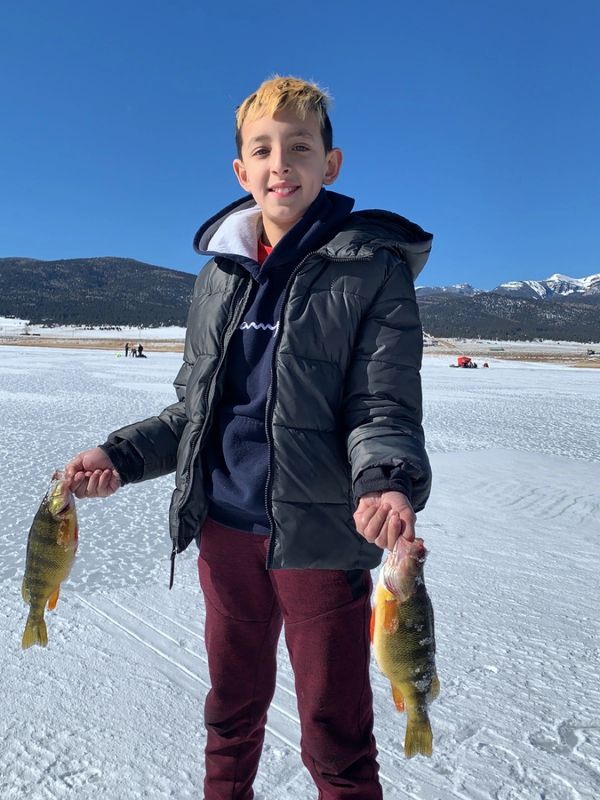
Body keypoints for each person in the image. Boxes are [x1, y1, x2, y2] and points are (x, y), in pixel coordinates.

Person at [64, 75, 432, 800]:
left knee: (335, 732)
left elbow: (381, 403)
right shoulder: (218, 277)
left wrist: (384, 476)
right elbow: (192, 413)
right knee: (229, 713)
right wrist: (119, 453)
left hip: (322, 537)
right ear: (241, 171)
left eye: (300, 146)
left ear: (331, 164)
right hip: (225, 534)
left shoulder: (372, 272)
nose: (280, 163)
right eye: (262, 149)